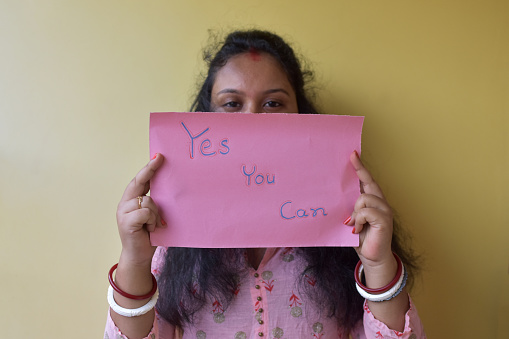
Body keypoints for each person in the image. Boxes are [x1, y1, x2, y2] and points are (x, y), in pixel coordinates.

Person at [105, 30, 425, 339]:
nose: (253, 118)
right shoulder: (173, 242)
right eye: (232, 103)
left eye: (273, 103)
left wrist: (378, 263)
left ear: (302, 115)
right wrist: (135, 260)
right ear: (204, 118)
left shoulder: (345, 233)